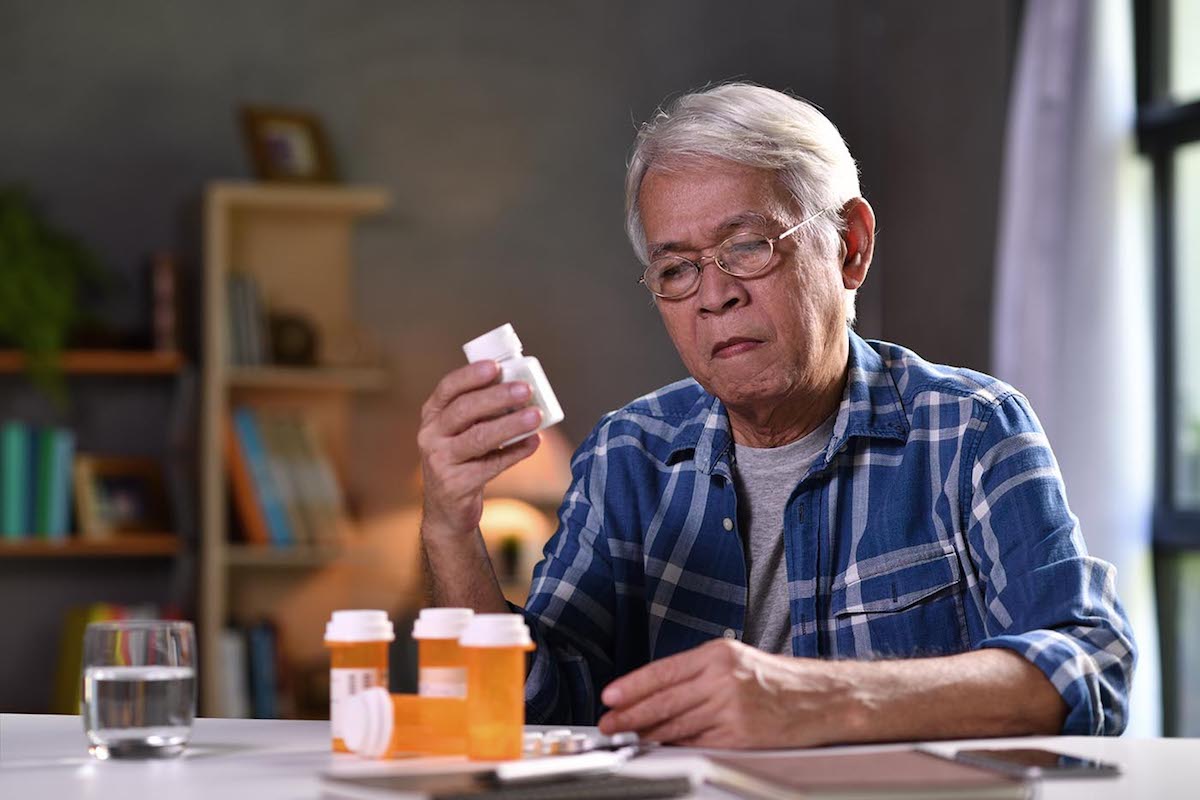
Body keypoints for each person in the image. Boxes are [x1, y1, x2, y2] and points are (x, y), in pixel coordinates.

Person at [417, 83, 1136, 748]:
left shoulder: (971, 430)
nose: (714, 295)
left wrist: (823, 700)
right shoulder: (626, 457)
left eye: (747, 248)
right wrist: (450, 530)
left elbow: (1088, 670)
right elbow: (530, 710)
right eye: (677, 268)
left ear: (850, 247)